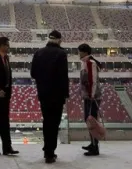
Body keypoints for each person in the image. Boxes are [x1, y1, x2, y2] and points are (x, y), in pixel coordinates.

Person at [31, 30, 69, 164]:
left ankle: (47, 150)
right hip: (57, 95)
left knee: (47, 121)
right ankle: (50, 151)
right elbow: (63, 75)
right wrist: (65, 94)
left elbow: (33, 73)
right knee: (54, 123)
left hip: (44, 94)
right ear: (59, 40)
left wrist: (43, 81)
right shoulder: (61, 54)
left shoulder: (38, 53)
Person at [78, 43, 102, 156]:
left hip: (92, 97)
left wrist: (92, 95)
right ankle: (93, 143)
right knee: (89, 120)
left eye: (80, 51)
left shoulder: (90, 63)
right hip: (88, 96)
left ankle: (95, 146)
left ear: (85, 52)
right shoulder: (85, 62)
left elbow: (93, 81)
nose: (78, 53)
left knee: (92, 121)